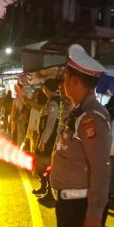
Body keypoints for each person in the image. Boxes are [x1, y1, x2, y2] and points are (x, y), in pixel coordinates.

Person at [48, 44, 111, 227]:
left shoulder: (91, 117)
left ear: (74, 80)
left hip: (82, 207)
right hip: (70, 204)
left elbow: (100, 169)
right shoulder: (78, 112)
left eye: (65, 78)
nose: (62, 84)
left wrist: (94, 215)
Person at [33, 79, 63, 208]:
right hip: (51, 139)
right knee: (44, 165)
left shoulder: (53, 102)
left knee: (46, 166)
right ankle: (46, 189)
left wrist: (43, 141)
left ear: (47, 88)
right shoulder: (56, 101)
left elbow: (50, 124)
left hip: (49, 140)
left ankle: (50, 194)